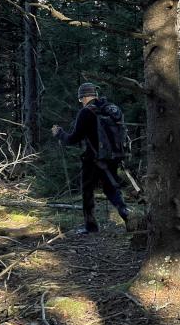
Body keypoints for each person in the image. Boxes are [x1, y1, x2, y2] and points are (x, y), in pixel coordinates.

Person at [51, 82, 131, 234]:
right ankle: (126, 213)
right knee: (110, 189)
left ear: (84, 97)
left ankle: (91, 226)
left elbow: (73, 139)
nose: (80, 102)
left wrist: (59, 133)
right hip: (112, 156)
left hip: (92, 159)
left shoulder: (86, 112)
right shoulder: (111, 109)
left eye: (80, 99)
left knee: (87, 190)